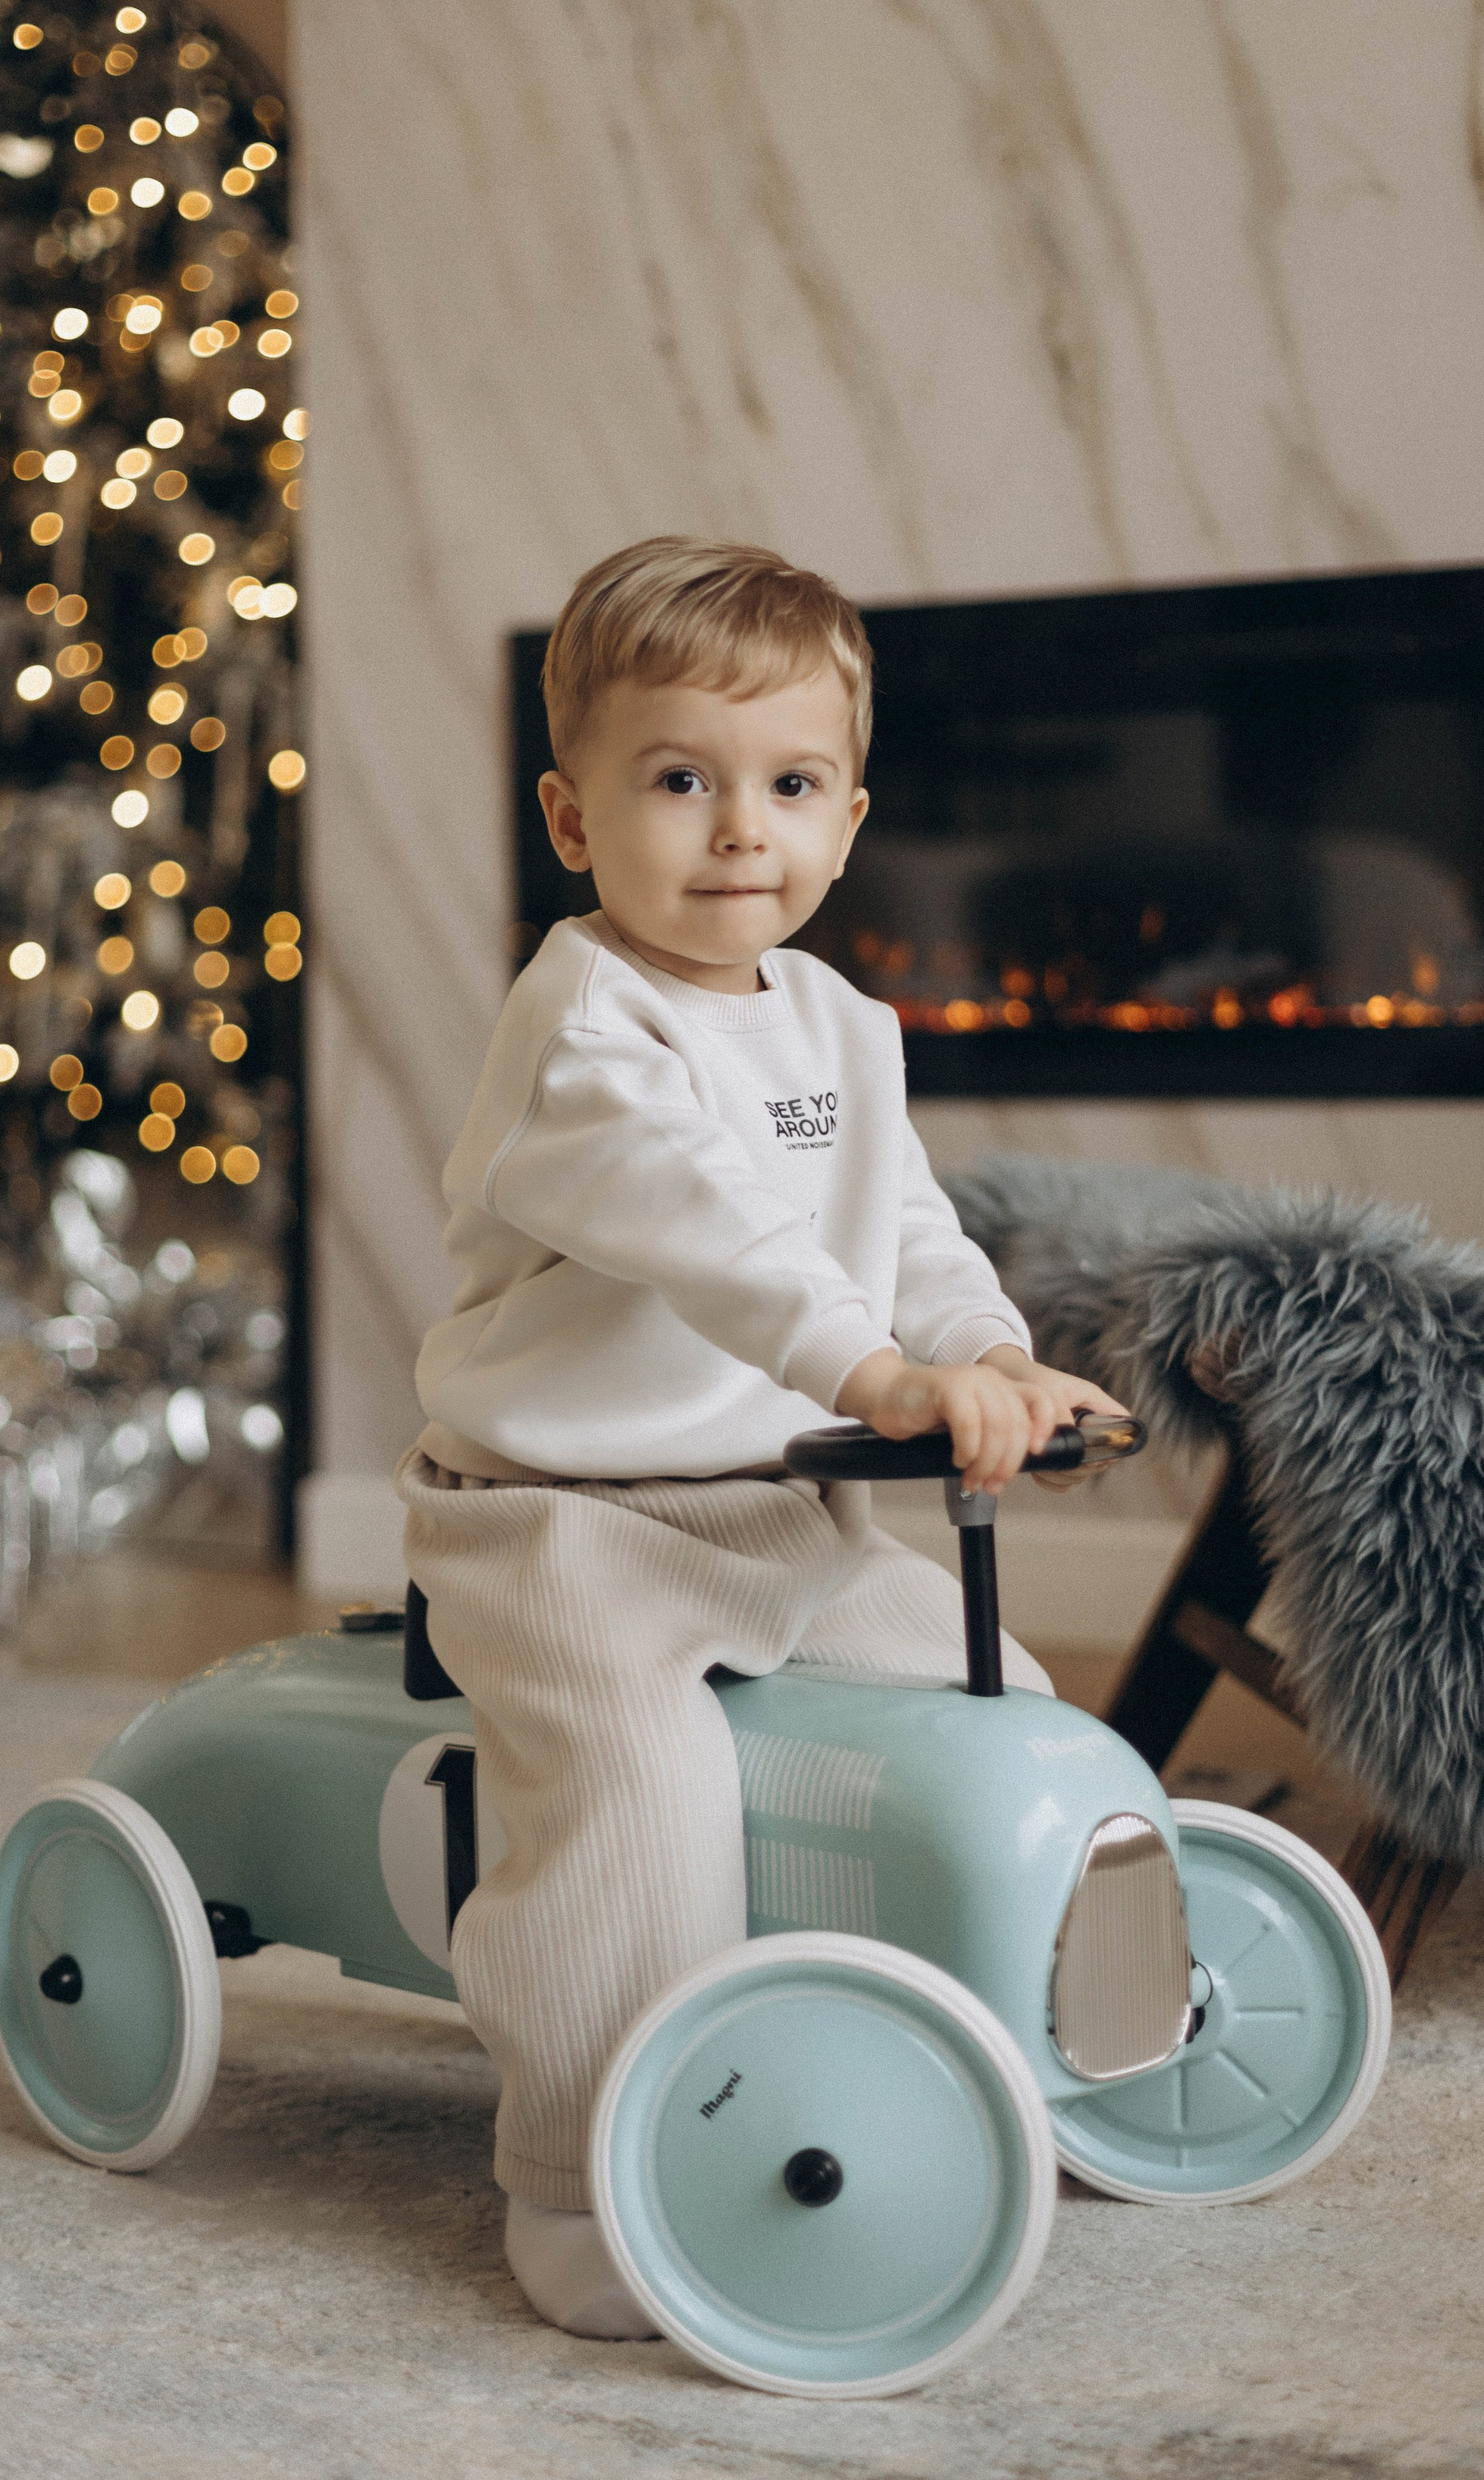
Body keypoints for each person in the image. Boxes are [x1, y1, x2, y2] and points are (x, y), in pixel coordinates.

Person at [398, 537, 1126, 2338]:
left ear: (849, 817)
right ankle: (586, 2175)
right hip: (566, 1522)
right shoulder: (585, 1026)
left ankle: (1038, 2048)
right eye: (678, 781)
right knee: (640, 1800)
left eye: (788, 785)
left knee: (1001, 1711)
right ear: (571, 821)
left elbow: (908, 1237)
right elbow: (713, 1231)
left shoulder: (842, 1025)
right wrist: (880, 1381)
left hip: (785, 1516)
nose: (740, 830)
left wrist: (989, 1359)